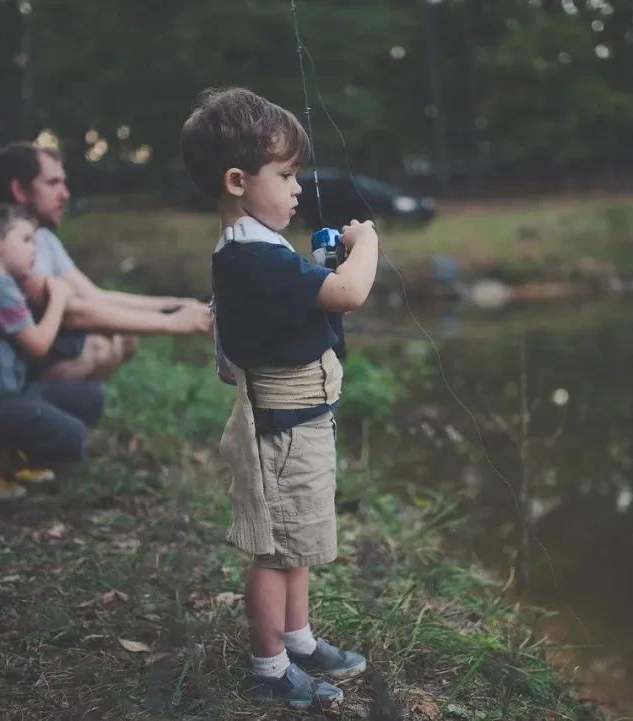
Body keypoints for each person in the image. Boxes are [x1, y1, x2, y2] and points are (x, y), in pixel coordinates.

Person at [181, 87, 379, 709]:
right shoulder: (250, 255)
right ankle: (269, 667)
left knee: (296, 541)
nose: (297, 188)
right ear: (238, 180)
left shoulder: (258, 248)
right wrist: (366, 243)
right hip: (284, 428)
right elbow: (347, 294)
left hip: (302, 420)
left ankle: (297, 638)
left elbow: (299, 299)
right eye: (286, 174)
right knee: (274, 551)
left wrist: (319, 261)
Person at [0, 141, 212, 400]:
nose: (65, 194)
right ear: (19, 189)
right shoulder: (4, 243)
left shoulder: (39, 237)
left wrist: (176, 305)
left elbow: (94, 296)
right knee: (96, 345)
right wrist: (176, 325)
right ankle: (7, 436)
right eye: (52, 183)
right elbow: (73, 313)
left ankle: (35, 430)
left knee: (122, 337)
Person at [0, 204, 104, 500]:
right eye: (26, 241)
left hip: (1, 399)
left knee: (90, 397)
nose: (34, 251)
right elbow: (38, 345)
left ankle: (10, 454)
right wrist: (60, 297)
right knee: (71, 436)